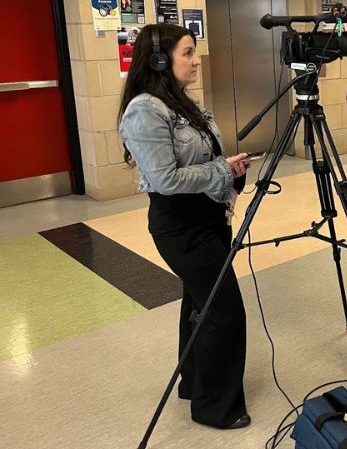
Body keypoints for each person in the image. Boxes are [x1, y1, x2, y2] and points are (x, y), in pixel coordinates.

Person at [118, 24, 252, 429]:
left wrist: (230, 169)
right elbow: (165, 180)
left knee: (199, 303)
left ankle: (195, 383)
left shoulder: (182, 103)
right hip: (181, 227)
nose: (196, 61)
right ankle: (216, 408)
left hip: (209, 218)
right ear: (160, 60)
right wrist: (218, 170)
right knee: (224, 311)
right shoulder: (145, 109)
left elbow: (207, 157)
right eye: (188, 53)